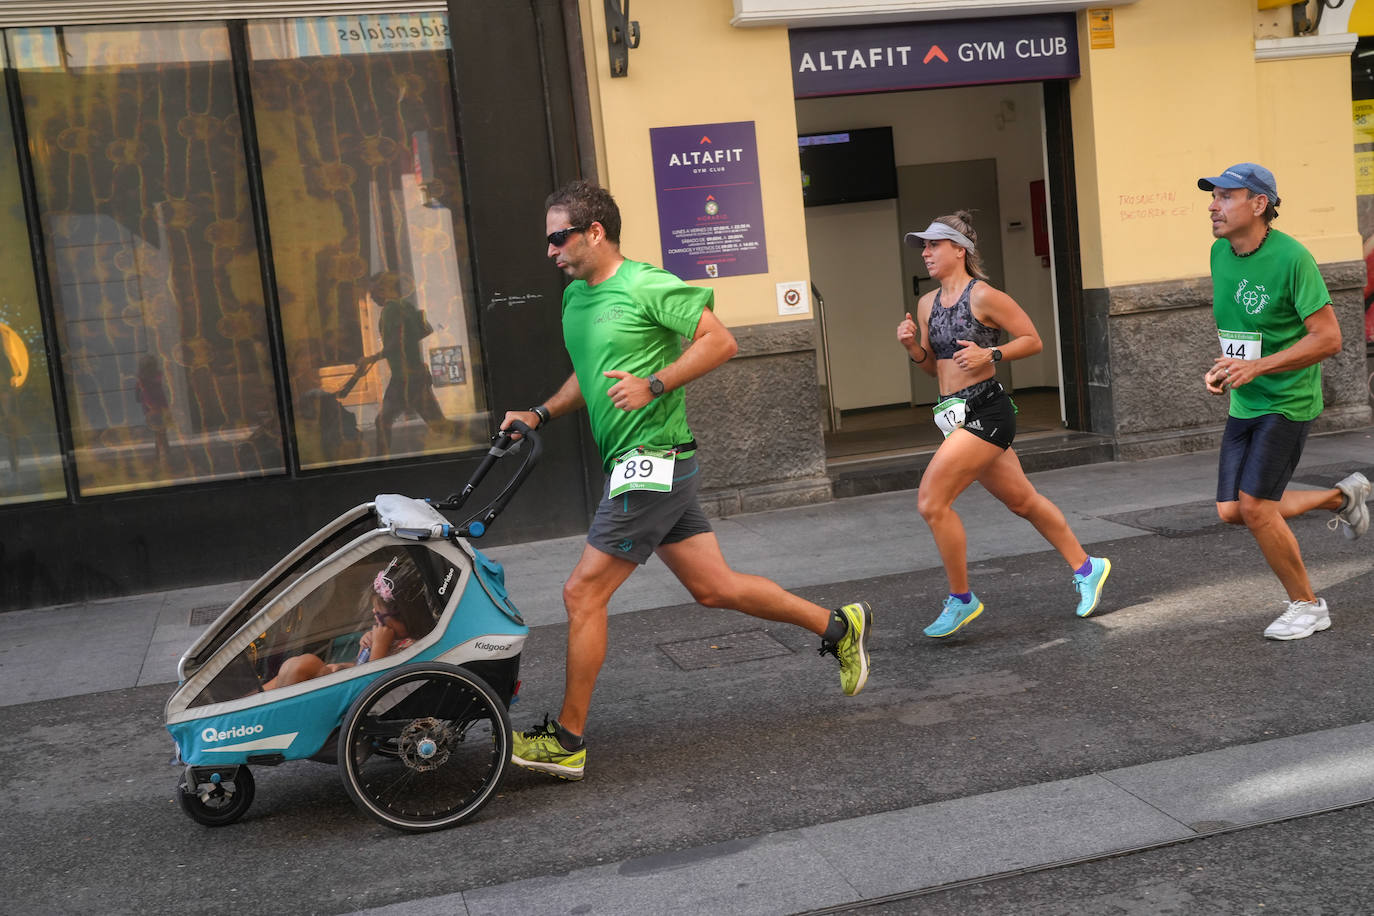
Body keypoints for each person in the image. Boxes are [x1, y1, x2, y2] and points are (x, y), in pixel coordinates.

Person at [499, 179, 871, 781]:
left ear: (595, 232)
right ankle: (839, 625)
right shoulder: (574, 300)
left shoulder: (648, 284)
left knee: (581, 593)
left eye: (557, 238)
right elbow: (588, 376)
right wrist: (538, 413)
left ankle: (567, 738)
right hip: (636, 462)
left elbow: (721, 342)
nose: (550, 251)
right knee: (714, 587)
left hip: (654, 459)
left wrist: (655, 384)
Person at [895, 211, 1111, 638]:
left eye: (933, 244)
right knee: (1023, 502)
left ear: (960, 249)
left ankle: (961, 599)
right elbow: (930, 369)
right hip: (951, 415)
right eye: (923, 245)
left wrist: (990, 356)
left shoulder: (985, 296)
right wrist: (912, 347)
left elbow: (1033, 339)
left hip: (987, 412)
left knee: (931, 502)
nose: (925, 252)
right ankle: (1089, 567)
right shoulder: (926, 304)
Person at [1197, 162, 1370, 641]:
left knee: (1255, 508)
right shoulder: (1219, 253)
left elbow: (1329, 339)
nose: (1213, 205)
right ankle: (1342, 496)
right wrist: (1227, 367)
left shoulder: (1294, 258)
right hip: (1246, 399)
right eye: (1213, 197)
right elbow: (1246, 335)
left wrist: (1259, 367)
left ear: (1259, 204)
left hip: (1287, 400)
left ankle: (1308, 605)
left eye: (1226, 197)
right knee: (1231, 510)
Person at [262, 556, 426, 689]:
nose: (376, 620)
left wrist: (378, 648)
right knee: (293, 665)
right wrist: (366, 649)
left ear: (405, 619)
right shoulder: (394, 641)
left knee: (303, 665)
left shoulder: (411, 648)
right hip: (352, 683)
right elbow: (361, 667)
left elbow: (372, 687)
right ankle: (256, 698)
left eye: (380, 616)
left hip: (357, 698)